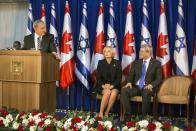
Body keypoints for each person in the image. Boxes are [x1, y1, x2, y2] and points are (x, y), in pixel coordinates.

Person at [121, 44, 162, 120]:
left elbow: (159, 78)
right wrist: (129, 82)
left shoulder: (156, 63)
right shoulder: (136, 62)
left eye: (142, 51)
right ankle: (128, 117)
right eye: (140, 51)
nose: (140, 53)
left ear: (148, 52)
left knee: (146, 92)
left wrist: (151, 85)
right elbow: (131, 75)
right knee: (124, 90)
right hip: (136, 87)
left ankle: (144, 118)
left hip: (147, 87)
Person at [95, 46, 122, 118]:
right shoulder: (100, 63)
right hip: (102, 86)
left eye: (108, 51)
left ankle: (107, 112)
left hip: (114, 85)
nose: (106, 53)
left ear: (112, 53)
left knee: (113, 93)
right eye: (105, 51)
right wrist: (103, 86)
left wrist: (112, 86)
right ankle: (101, 112)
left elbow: (119, 78)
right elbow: (98, 77)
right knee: (107, 92)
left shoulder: (117, 63)